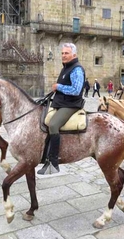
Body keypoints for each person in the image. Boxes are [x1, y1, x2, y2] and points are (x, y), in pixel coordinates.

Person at [38, 43, 85, 175]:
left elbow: (76, 90)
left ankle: (53, 162)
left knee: (53, 125)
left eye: (66, 53)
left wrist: (58, 87)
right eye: (63, 53)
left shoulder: (76, 69)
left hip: (71, 105)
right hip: (61, 103)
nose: (63, 55)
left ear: (74, 55)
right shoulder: (66, 67)